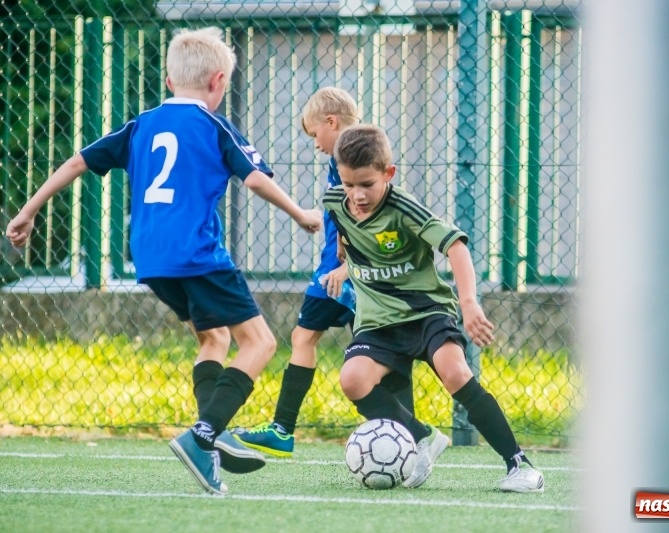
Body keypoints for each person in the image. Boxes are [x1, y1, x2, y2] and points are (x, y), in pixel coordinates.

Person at [5, 27, 322, 496]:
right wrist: (302, 214)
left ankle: (206, 445)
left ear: (170, 81)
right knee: (259, 344)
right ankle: (205, 435)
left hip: (150, 258)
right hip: (198, 253)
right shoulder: (215, 125)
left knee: (213, 338)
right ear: (218, 82)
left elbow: (76, 162)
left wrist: (27, 210)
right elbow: (253, 180)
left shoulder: (140, 124)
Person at [321, 124, 544, 492]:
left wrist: (469, 303)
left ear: (388, 174)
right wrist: (345, 266)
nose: (356, 195)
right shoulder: (334, 203)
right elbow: (356, 242)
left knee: (455, 372)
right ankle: (422, 437)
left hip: (426, 312)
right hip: (377, 322)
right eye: (348, 184)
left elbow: (456, 246)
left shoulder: (405, 208)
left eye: (366, 184)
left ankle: (519, 465)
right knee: (353, 379)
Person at [233, 87, 415, 458]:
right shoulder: (358, 152)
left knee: (311, 339)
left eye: (315, 134)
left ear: (331, 123)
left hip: (340, 271)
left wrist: (346, 265)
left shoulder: (345, 154)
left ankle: (285, 429)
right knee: (357, 346)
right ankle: (404, 433)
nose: (316, 144)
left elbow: (362, 219)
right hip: (346, 268)